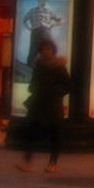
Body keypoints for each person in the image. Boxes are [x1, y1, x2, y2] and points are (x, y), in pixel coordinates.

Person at [16, 39, 71, 172]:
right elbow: (33, 83)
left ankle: (53, 163)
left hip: (53, 104)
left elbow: (68, 85)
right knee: (31, 131)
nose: (46, 52)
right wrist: (34, 88)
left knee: (54, 133)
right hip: (38, 103)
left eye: (49, 49)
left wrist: (55, 90)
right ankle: (27, 161)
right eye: (44, 50)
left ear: (53, 51)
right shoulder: (38, 66)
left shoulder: (60, 67)